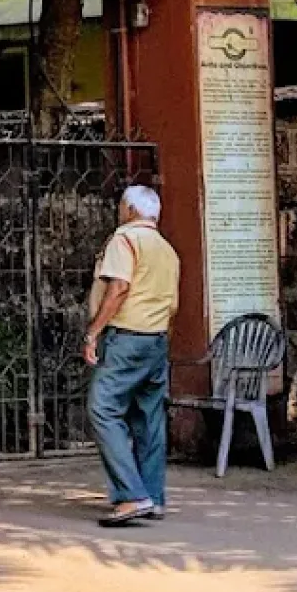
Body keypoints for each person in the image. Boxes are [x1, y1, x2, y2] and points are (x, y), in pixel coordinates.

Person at [83, 183, 180, 527]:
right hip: (155, 340)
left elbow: (119, 287)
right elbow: (173, 304)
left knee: (102, 408)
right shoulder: (167, 250)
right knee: (149, 419)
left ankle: (130, 495)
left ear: (128, 210)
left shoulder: (125, 239)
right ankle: (152, 496)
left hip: (127, 339)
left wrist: (94, 331)